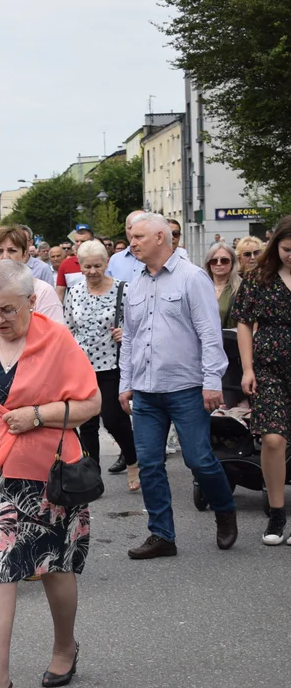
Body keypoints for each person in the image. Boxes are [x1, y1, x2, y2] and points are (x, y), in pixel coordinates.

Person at [0, 259, 100, 688]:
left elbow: (90, 403)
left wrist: (37, 415)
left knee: (56, 568)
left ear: (32, 301)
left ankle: (65, 647)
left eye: (8, 310)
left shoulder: (58, 339)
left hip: (51, 475)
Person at [119, 213, 237, 559]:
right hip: (145, 390)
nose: (133, 243)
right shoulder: (135, 282)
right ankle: (161, 535)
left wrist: (213, 381)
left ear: (160, 237)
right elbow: (129, 339)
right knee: (150, 464)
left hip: (186, 387)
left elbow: (210, 334)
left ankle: (225, 509)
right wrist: (126, 383)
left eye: (139, 236)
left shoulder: (192, 278)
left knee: (199, 460)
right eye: (131, 236)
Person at [232, 216, 291, 545]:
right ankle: (277, 510)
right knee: (272, 439)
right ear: (275, 246)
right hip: (268, 366)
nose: (290, 255)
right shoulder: (259, 278)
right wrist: (248, 367)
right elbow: (243, 322)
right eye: (286, 249)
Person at [64, 240, 140, 490]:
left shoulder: (124, 289)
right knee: (86, 424)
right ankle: (92, 475)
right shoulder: (74, 291)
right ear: (80, 266)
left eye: (98, 265)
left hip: (111, 365)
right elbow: (68, 328)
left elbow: (138, 324)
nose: (93, 271)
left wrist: (125, 333)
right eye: (87, 266)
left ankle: (132, 461)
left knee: (113, 419)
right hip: (81, 367)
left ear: (107, 263)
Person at [0, 226, 64, 337]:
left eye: (12, 250)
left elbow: (56, 339)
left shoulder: (43, 292)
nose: (5, 257)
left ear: (24, 255)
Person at [204, 241, 241, 329]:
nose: (219, 263)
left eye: (224, 260)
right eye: (214, 260)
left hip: (231, 340)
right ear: (209, 264)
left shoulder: (241, 289)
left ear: (232, 263)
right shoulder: (200, 287)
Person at [55, 225, 95, 300]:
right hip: (73, 309)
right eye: (76, 241)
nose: (79, 244)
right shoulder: (65, 264)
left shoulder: (103, 263)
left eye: (83, 241)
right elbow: (60, 292)